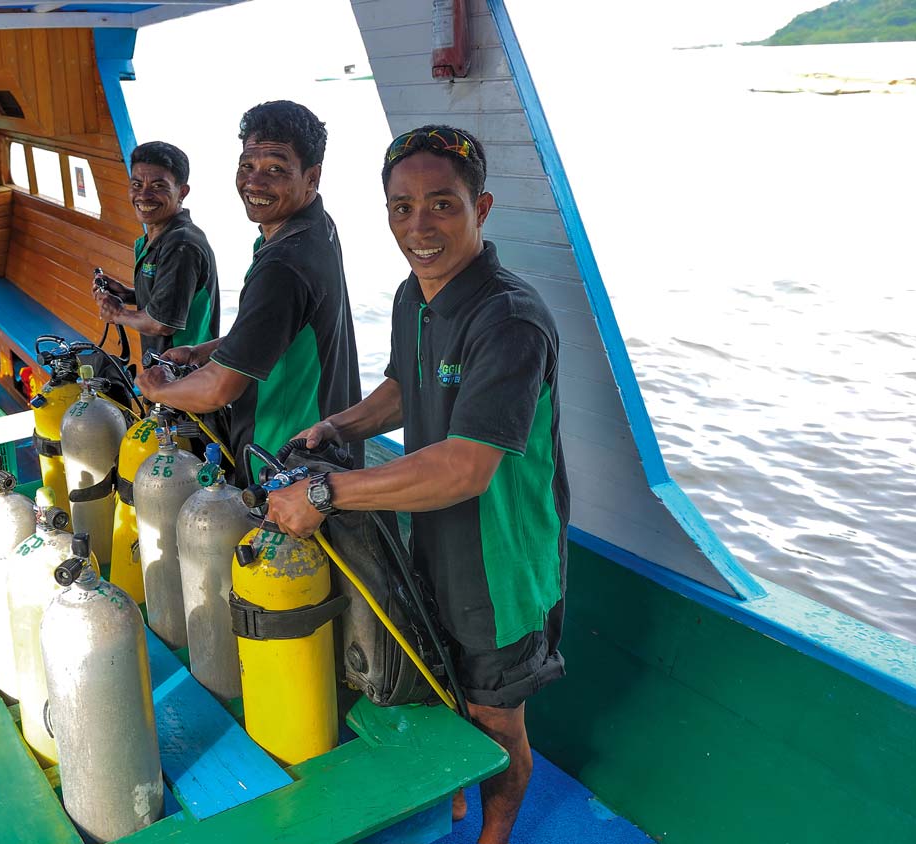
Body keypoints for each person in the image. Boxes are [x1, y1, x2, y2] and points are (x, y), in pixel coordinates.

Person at [264, 126, 570, 844]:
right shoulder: (416, 296)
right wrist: (337, 426)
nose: (419, 227)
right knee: (439, 688)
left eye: (441, 205)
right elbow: (407, 384)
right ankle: (454, 806)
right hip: (426, 537)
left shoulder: (510, 319)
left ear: (481, 207)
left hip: (501, 565)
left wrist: (323, 495)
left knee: (496, 718)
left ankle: (491, 836)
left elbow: (466, 467)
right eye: (402, 208)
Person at [135, 101, 362, 482]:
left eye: (275, 169)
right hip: (327, 450)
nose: (254, 183)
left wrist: (157, 390)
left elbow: (218, 390)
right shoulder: (312, 227)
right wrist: (200, 351)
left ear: (312, 176)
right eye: (247, 166)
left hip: (283, 463)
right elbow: (273, 330)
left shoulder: (283, 264)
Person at [92, 141, 220, 359]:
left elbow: (162, 323)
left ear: (182, 192)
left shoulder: (181, 245)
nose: (144, 195)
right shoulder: (153, 240)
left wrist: (118, 313)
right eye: (137, 185)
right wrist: (128, 295)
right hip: (163, 373)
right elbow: (174, 299)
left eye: (158, 186)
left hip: (184, 377)